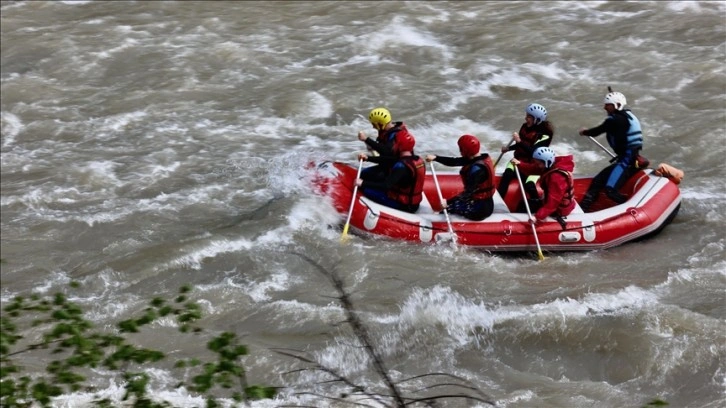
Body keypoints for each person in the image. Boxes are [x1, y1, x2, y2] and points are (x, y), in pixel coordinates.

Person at [578, 91, 643, 211]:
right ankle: (583, 209)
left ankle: (632, 209)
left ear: (617, 105)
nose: (604, 107)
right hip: (626, 158)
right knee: (597, 181)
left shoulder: (616, 120)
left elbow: (599, 130)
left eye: (608, 105)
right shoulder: (627, 116)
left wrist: (585, 132)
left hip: (627, 160)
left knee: (610, 190)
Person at [425, 134, 495, 221]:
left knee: (448, 209)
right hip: (481, 202)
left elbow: (467, 193)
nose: (460, 151)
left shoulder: (477, 170)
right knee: (452, 206)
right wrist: (436, 158)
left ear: (466, 150)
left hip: (480, 209)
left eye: (461, 149)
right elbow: (454, 161)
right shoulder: (478, 157)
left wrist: (448, 202)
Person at [497, 103, 555, 203]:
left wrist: (519, 141)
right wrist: (509, 148)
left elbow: (534, 152)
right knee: (506, 176)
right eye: (526, 115)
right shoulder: (524, 126)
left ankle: (537, 205)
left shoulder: (545, 135)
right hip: (517, 160)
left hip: (534, 165)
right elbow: (521, 145)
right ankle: (497, 203)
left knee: (529, 185)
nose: (525, 118)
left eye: (528, 117)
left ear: (536, 119)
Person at [355, 131, 425, 213]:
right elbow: (389, 160)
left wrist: (362, 183)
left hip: (405, 205)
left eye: (394, 142)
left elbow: (386, 185)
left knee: (366, 190)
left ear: (399, 145)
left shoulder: (401, 167)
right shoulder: (416, 159)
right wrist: (368, 158)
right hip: (412, 202)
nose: (393, 144)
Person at [511, 146, 576, 227]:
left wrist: (537, 217)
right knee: (523, 203)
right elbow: (534, 168)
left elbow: (552, 204)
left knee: (523, 206)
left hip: (559, 209)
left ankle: (518, 226)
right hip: (551, 202)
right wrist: (520, 164)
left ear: (546, 162)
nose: (537, 165)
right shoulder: (550, 165)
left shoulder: (556, 178)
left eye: (538, 163)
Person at [356, 107, 415, 182]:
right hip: (391, 163)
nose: (373, 127)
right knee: (364, 173)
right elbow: (384, 151)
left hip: (399, 169)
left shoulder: (396, 134)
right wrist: (369, 150)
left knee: (365, 175)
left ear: (380, 124)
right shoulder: (387, 131)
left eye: (374, 124)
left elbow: (387, 152)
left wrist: (366, 139)